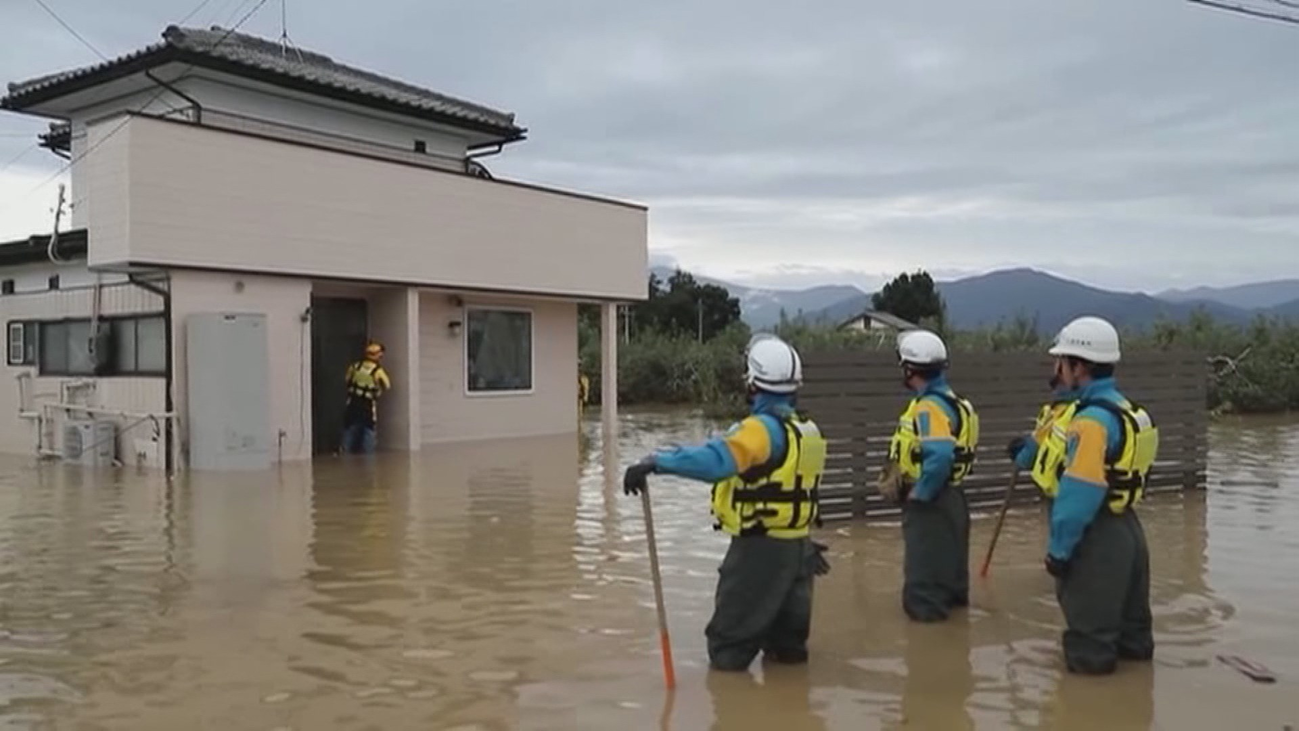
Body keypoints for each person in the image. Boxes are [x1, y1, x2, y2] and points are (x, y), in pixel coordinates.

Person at [622, 334, 830, 672]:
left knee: (727, 652)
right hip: (799, 550)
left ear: (753, 382)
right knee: (787, 653)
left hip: (759, 551)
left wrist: (656, 462)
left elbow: (715, 462)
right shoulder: (808, 430)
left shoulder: (761, 431)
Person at [1033, 316, 1159, 675]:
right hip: (1129, 532)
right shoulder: (1126, 411)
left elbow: (1079, 494)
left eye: (1062, 362)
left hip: (1095, 538)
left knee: (1090, 652)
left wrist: (1058, 551)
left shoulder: (1090, 422)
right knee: (1133, 642)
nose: (1057, 370)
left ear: (1079, 367)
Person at [887, 329, 980, 622]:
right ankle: (955, 643)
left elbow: (939, 456)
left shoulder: (928, 408)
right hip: (953, 498)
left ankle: (928, 644)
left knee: (924, 594)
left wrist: (920, 493)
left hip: (932, 502)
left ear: (910, 369)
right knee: (951, 582)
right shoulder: (955, 402)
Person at [1009, 374, 1080, 507]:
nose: (1054, 392)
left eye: (1057, 386)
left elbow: (1030, 453)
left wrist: (1023, 456)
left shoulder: (1071, 412)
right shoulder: (1051, 411)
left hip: (1066, 491)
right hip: (1055, 488)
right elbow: (1039, 440)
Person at [342, 341, 391, 454]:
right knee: (369, 432)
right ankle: (369, 460)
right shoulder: (378, 371)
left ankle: (344, 456)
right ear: (378, 355)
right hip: (367, 405)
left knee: (349, 430)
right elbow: (387, 385)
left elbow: (347, 380)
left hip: (352, 404)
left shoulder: (354, 367)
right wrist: (377, 391)